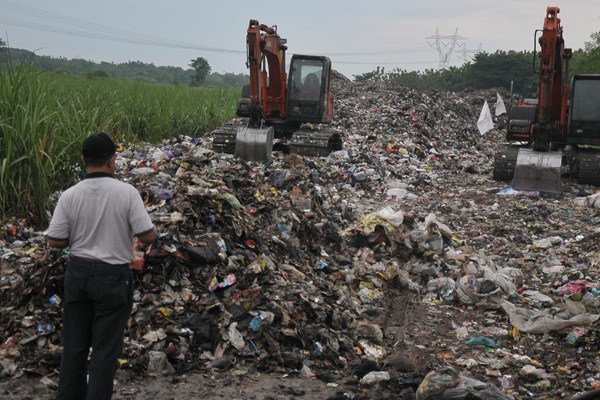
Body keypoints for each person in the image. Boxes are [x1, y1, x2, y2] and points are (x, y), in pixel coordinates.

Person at [47, 132, 158, 400]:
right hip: (113, 277)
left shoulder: (70, 195)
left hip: (78, 274)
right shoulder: (127, 193)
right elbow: (148, 236)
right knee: (105, 349)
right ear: (111, 161)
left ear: (85, 160)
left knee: (74, 346)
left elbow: (55, 241)